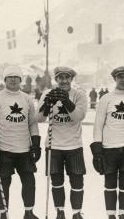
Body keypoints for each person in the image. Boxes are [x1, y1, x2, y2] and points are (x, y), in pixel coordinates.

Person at [0, 65, 41, 219]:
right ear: (5, 80)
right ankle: (3, 214)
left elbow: (32, 123)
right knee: (4, 183)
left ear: (20, 80)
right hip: (4, 149)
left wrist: (36, 145)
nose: (13, 80)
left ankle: (28, 212)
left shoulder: (26, 98)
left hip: (24, 149)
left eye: (16, 77)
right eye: (10, 77)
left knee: (29, 182)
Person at [90, 66, 124, 219]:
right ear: (115, 79)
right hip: (109, 148)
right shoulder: (106, 98)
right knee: (110, 183)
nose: (123, 79)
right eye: (120, 76)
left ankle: (123, 215)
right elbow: (98, 125)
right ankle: (111, 215)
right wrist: (98, 149)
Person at [37, 66, 88, 219]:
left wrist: (66, 101)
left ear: (72, 79)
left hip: (74, 145)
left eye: (67, 78)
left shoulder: (79, 94)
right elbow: (39, 119)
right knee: (56, 181)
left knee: (77, 181)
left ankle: (76, 212)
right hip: (54, 145)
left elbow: (78, 116)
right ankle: (60, 211)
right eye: (61, 78)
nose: (64, 81)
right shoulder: (47, 93)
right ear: (56, 79)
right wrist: (47, 105)